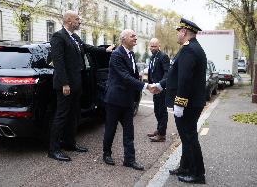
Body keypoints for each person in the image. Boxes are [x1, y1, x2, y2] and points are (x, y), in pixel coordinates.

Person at [48, 10, 114, 162]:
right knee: (61, 116)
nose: (80, 21)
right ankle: (54, 149)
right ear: (69, 20)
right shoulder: (58, 36)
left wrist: (105, 50)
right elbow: (58, 62)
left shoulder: (75, 37)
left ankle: (70, 143)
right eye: (77, 19)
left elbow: (88, 47)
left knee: (74, 115)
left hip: (76, 83)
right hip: (65, 85)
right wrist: (64, 83)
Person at [157, 18, 207, 184]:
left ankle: (198, 173)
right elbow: (176, 75)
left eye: (179, 31)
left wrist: (179, 103)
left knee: (189, 137)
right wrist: (160, 85)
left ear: (184, 32)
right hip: (192, 103)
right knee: (187, 137)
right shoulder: (192, 48)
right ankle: (185, 167)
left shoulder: (189, 50)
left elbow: (185, 80)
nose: (178, 34)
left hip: (188, 104)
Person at [103, 29, 154, 170]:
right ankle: (106, 153)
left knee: (129, 131)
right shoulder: (116, 55)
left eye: (136, 36)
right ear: (123, 39)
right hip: (114, 99)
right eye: (132, 36)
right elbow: (125, 77)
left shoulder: (131, 53)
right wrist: (145, 86)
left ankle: (129, 160)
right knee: (110, 129)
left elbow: (133, 75)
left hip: (127, 100)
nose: (135, 38)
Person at [147, 38, 170, 142]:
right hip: (154, 89)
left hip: (161, 89)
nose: (152, 48)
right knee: (157, 110)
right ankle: (159, 129)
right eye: (151, 46)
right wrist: (150, 84)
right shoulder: (152, 57)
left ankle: (162, 135)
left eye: (154, 46)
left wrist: (160, 85)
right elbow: (152, 72)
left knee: (162, 111)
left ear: (159, 46)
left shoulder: (163, 56)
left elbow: (167, 73)